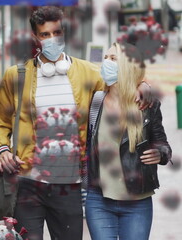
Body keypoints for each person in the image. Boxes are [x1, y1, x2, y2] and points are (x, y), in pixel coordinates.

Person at [0, 6, 154, 240]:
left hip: (69, 185)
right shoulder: (16, 76)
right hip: (26, 183)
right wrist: (2, 150)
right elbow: (0, 122)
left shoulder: (87, 72)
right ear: (35, 37)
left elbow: (123, 77)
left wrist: (144, 83)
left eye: (56, 32)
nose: (52, 39)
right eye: (44, 34)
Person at [85, 42, 172, 240]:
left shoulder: (147, 104)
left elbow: (163, 145)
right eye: (106, 58)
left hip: (137, 203)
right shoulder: (95, 101)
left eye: (113, 59)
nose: (107, 62)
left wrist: (160, 154)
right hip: (99, 201)